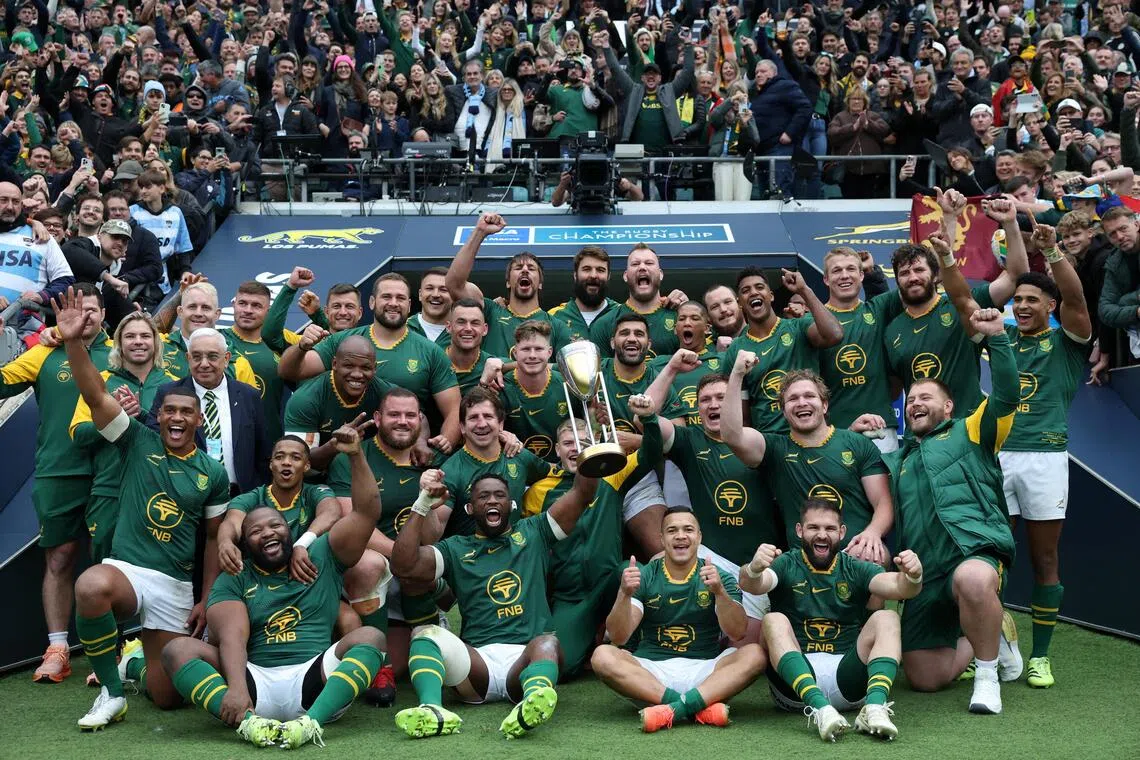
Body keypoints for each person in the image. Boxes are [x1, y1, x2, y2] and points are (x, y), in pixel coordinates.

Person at [52, 287, 230, 729]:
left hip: (174, 585)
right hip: (129, 571)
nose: (175, 418)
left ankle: (132, 666)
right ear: (159, 414)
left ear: (197, 420)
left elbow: (212, 541)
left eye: (185, 413)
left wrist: (206, 598)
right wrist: (75, 342)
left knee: (168, 697)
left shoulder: (213, 473)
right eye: (168, 410)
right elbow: (96, 397)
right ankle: (111, 694)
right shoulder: (136, 440)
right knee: (91, 585)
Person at [162, 424, 387, 749]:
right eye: (256, 530)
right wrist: (237, 688)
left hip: (315, 679)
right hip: (256, 683)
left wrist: (355, 456)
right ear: (245, 541)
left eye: (276, 525)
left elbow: (367, 511)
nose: (267, 532)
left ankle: (311, 724)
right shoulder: (236, 573)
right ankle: (250, 725)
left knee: (370, 637)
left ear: (290, 529)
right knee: (177, 650)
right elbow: (232, 639)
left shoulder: (322, 554)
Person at [950, 219, 1092, 688]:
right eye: (1018, 300)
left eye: (1033, 300)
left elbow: (1077, 300)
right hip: (997, 456)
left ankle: (1041, 656)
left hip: (1046, 459)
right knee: (991, 559)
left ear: (1050, 307)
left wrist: (1052, 252)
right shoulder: (1000, 336)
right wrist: (947, 260)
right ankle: (997, 646)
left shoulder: (1066, 341)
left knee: (1045, 560)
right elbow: (962, 301)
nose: (1023, 306)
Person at [389, 466, 600, 739]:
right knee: (424, 634)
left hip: (524, 660)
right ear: (469, 508)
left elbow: (582, 493)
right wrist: (423, 503)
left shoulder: (535, 532)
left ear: (511, 504)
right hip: (477, 666)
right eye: (483, 496)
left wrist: (592, 458)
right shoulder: (455, 548)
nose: (491, 500)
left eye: (499, 495)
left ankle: (533, 700)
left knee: (548, 643)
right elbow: (403, 566)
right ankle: (432, 709)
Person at [888, 306, 1020, 714]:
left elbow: (1007, 395)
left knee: (975, 580)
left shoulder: (972, 429)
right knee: (926, 679)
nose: (916, 404)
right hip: (926, 570)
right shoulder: (898, 460)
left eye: (926, 397)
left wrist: (997, 339)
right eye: (911, 400)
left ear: (948, 408)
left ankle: (986, 676)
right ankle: (991, 629)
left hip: (974, 550)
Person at [740, 499, 925, 742]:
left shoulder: (854, 567)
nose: (822, 535)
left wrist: (913, 576)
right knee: (773, 620)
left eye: (829, 528)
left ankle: (875, 708)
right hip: (795, 689)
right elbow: (754, 584)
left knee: (887, 617)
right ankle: (820, 709)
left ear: (842, 532)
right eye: (813, 527)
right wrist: (753, 569)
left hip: (847, 679)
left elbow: (898, 587)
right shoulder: (787, 562)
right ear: (799, 531)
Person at [1, 283, 111, 684]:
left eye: (92, 311)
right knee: (60, 558)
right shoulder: (44, 353)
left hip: (110, 473)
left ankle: (111, 649)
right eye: (76, 311)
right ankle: (58, 647)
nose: (84, 318)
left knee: (110, 561)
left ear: (102, 315)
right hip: (57, 472)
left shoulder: (123, 349)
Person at [590, 507, 767, 733]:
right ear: (662, 539)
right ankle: (695, 708)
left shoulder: (717, 575)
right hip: (651, 674)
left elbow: (737, 632)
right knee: (603, 656)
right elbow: (619, 635)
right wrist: (624, 594)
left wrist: (720, 593)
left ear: (699, 537)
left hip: (705, 672)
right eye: (672, 530)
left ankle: (671, 710)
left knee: (755, 654)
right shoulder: (646, 575)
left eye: (688, 530)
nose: (681, 536)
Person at [640, 365, 781, 642]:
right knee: (659, 561)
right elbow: (645, 414)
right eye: (705, 400)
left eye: (721, 397)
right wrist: (672, 368)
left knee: (749, 645)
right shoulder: (689, 440)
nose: (713, 405)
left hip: (758, 562)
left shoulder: (759, 443)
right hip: (710, 557)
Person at [521, 398, 662, 674]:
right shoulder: (539, 492)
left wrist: (650, 420)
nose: (577, 448)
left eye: (583, 440)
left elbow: (651, 453)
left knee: (633, 573)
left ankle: (631, 644)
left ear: (596, 443)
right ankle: (592, 640)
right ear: (558, 450)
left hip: (609, 583)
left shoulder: (613, 475)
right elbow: (529, 549)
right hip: (571, 596)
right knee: (563, 667)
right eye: (569, 442)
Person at [324, 388, 444, 690]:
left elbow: (431, 535)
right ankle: (379, 661)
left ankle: (427, 632)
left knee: (408, 667)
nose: (402, 421)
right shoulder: (352, 457)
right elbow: (352, 522)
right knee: (368, 564)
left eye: (409, 415)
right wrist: (403, 558)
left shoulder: (431, 461)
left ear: (420, 420)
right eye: (393, 414)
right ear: (378, 418)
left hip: (409, 580)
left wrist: (426, 497)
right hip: (367, 573)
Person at [721, 357, 893, 564]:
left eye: (809, 396)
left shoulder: (856, 443)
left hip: (856, 551)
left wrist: (873, 533)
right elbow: (732, 435)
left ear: (825, 405)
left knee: (874, 555)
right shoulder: (775, 449)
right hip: (804, 560)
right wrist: (738, 374)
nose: (802, 402)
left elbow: (883, 502)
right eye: (793, 399)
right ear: (784, 411)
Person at [278, 273, 460, 450]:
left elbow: (453, 409)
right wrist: (301, 347)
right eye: (386, 296)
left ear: (409, 304)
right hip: (337, 455)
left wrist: (444, 443)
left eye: (400, 298)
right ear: (372, 302)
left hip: (404, 454)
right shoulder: (343, 341)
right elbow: (289, 371)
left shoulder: (431, 351)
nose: (393, 303)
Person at [884, 194, 1028, 416]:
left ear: (936, 276)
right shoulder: (892, 329)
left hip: (966, 432)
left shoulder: (965, 305)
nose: (912, 277)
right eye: (904, 273)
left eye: (919, 270)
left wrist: (1010, 223)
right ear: (897, 280)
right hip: (919, 440)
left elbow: (1016, 276)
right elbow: (891, 391)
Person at [149, 326, 270, 494]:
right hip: (188, 496)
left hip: (241, 498)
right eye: (197, 357)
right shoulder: (168, 393)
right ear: (188, 358)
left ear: (226, 358)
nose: (204, 364)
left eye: (212, 356)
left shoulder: (249, 395)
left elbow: (262, 453)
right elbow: (153, 442)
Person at [722, 267, 843, 433]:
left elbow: (835, 335)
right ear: (740, 302)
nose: (753, 293)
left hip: (812, 435)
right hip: (770, 442)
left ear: (770, 296)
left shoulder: (798, 326)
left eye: (759, 287)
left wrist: (804, 290)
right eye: (746, 290)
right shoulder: (736, 349)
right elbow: (741, 412)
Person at [445, 212, 570, 355]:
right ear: (508, 282)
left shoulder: (556, 326)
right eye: (518, 268)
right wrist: (480, 232)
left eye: (531, 268)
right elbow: (453, 284)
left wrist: (506, 366)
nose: (524, 270)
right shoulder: (490, 312)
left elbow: (564, 370)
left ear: (540, 283)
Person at [437, 387, 552, 537]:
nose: (482, 424)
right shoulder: (450, 471)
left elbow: (553, 473)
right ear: (462, 427)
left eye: (488, 416)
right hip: (471, 558)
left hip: (516, 554)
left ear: (501, 424)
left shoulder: (518, 455)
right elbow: (432, 536)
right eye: (473, 418)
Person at [817, 248, 901, 446]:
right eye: (837, 270)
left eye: (851, 269)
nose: (844, 275)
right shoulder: (812, 323)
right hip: (834, 432)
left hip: (881, 428)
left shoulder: (878, 309)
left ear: (862, 275)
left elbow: (926, 280)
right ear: (826, 279)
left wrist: (873, 271)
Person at [283, 334, 391, 470]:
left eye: (365, 368)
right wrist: (334, 445)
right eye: (348, 366)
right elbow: (298, 461)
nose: (357, 374)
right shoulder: (306, 399)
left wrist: (420, 440)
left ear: (374, 368)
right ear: (334, 364)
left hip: (368, 472)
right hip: (317, 481)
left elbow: (416, 414)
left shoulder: (384, 393)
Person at [589, 244, 685, 358]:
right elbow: (600, 373)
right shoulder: (604, 324)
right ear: (625, 276)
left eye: (649, 263)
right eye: (635, 264)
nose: (642, 267)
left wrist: (687, 308)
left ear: (661, 274)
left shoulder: (680, 317)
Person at [548, 245, 618, 343]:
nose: (593, 275)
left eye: (600, 270)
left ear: (608, 276)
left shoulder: (621, 314)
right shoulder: (554, 317)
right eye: (586, 269)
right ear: (575, 275)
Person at [1097, 207, 1140, 332]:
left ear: (1136, 225)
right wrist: (1136, 312)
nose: (1120, 237)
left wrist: (1123, 300)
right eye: (1112, 234)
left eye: (1123, 229)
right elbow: (1105, 310)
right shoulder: (1114, 262)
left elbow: (1115, 303)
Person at [408, 267, 453, 346]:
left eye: (443, 289)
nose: (435, 294)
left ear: (454, 295)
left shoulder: (463, 332)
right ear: (420, 294)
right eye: (429, 288)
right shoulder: (403, 329)